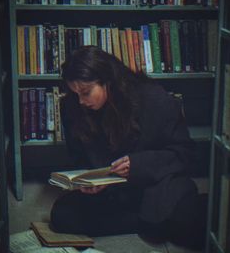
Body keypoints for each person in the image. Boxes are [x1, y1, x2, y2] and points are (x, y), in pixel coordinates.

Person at [50, 45, 207, 250]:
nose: (81, 101)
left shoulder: (153, 98)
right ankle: (149, 224)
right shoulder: (74, 106)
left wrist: (138, 165)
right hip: (112, 194)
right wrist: (90, 181)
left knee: (189, 226)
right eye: (75, 93)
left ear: (107, 81)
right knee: (62, 216)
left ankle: (153, 221)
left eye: (86, 92)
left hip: (154, 184)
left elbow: (185, 154)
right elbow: (79, 156)